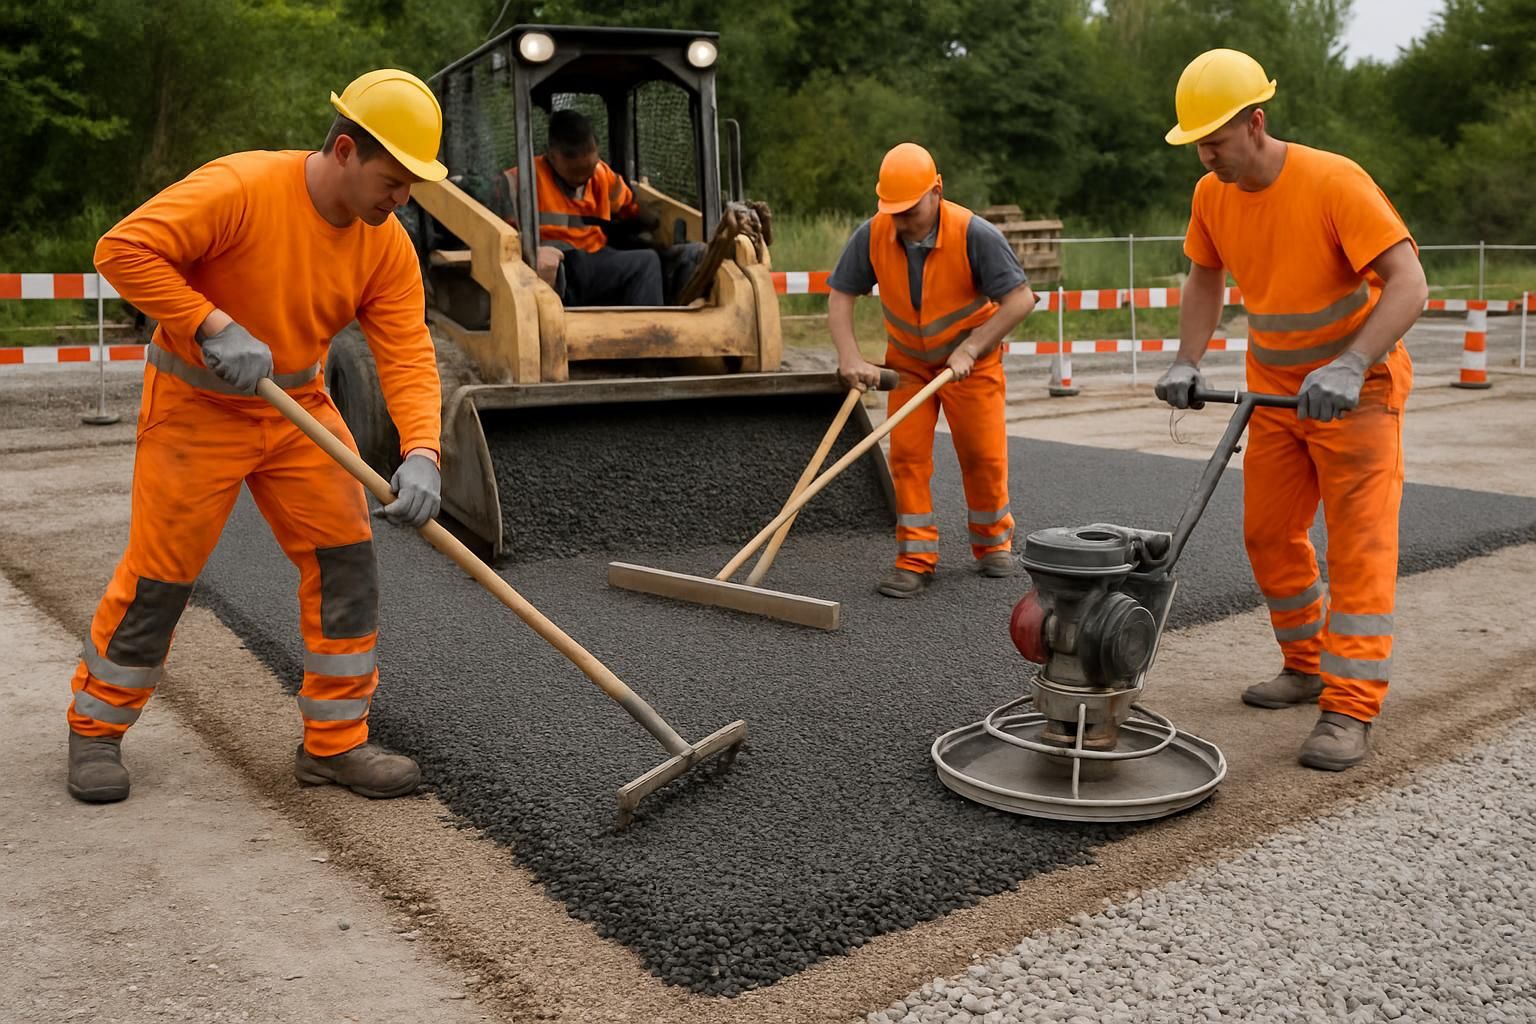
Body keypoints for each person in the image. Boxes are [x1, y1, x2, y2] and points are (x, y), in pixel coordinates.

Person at [67, 69, 449, 804]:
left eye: (411, 186)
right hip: (194, 404)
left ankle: (334, 746)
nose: (402, 199)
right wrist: (211, 323)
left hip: (295, 406)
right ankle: (95, 730)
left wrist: (423, 452)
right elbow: (123, 250)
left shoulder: (385, 246)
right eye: (393, 180)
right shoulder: (241, 189)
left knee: (346, 566)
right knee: (160, 580)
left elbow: (406, 351)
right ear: (344, 150)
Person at [1156, 49, 1428, 771]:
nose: (1206, 155)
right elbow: (1205, 277)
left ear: (1256, 121)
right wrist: (1189, 359)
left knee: (1358, 550)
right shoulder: (1212, 195)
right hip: (1274, 395)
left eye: (1214, 140)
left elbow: (1410, 284)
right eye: (1197, 144)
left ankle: (1349, 708)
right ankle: (1305, 665)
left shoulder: (1332, 181)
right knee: (1269, 535)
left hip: (1357, 395)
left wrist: (1351, 362)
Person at [828, 143, 1037, 598]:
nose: (901, 220)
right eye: (893, 210)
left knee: (982, 455)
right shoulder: (873, 234)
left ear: (936, 191)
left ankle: (993, 544)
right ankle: (915, 558)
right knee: (905, 456)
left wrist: (972, 347)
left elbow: (1020, 299)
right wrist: (850, 356)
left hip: (971, 365)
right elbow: (841, 294)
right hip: (908, 366)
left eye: (910, 209)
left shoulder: (974, 234)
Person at [501, 109, 668, 306]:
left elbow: (629, 207)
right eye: (575, 171)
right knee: (645, 263)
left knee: (662, 258)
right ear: (552, 156)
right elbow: (494, 231)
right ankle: (651, 334)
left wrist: (654, 221)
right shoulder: (519, 181)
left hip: (596, 259)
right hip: (559, 265)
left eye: (589, 169)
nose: (583, 178)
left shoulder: (602, 174)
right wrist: (528, 251)